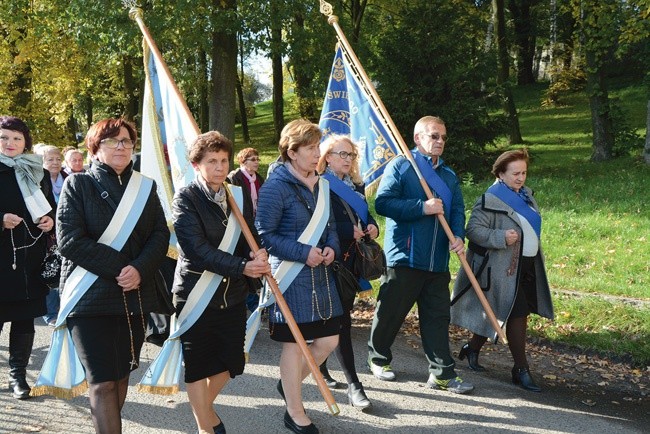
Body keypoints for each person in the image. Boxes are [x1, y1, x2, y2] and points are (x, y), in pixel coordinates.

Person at [56, 118, 169, 433]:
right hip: (89, 299)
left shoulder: (145, 187)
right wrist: (122, 269)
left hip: (133, 296)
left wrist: (140, 269)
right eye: (112, 141)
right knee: (103, 381)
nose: (121, 146)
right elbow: (70, 240)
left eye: (127, 141)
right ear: (95, 147)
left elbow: (160, 235)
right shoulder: (78, 184)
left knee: (121, 376)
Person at [172, 131, 270, 434]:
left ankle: (203, 410)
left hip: (233, 295)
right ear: (196, 164)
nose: (219, 166)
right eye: (211, 161)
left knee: (232, 362)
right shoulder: (185, 198)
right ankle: (205, 425)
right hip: (197, 293)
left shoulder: (236, 195)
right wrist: (244, 266)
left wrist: (258, 251)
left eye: (224, 160)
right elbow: (197, 251)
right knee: (199, 364)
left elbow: (249, 235)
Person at [367, 115, 474, 394]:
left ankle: (442, 374)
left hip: (437, 259)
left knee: (438, 317)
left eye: (442, 137)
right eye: (433, 135)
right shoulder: (402, 166)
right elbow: (383, 203)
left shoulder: (449, 175)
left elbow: (458, 210)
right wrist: (421, 207)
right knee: (391, 312)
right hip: (405, 254)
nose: (439, 141)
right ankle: (378, 358)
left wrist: (458, 236)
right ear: (418, 138)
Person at [255, 119, 342, 434]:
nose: (317, 153)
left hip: (321, 275)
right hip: (290, 275)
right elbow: (264, 234)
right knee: (295, 345)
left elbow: (330, 226)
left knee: (329, 339)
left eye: (318, 146)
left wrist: (331, 247)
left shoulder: (322, 184)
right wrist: (302, 252)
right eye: (310, 148)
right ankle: (294, 410)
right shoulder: (275, 187)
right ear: (292, 152)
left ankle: (288, 383)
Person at [450, 149, 553, 392]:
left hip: (526, 266)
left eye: (524, 172)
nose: (520, 178)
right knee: (517, 314)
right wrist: (500, 236)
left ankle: (472, 349)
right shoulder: (489, 199)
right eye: (515, 173)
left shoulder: (526, 195)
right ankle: (520, 369)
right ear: (500, 174)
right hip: (501, 269)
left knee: (499, 309)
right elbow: (473, 230)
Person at [315, 134, 379, 410]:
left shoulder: (357, 185)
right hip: (330, 259)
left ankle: (321, 367)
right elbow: (316, 222)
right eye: (342, 154)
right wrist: (344, 230)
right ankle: (355, 384)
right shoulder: (319, 183)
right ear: (327, 157)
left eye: (351, 155)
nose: (347, 159)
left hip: (353, 261)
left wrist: (372, 225)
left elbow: (366, 215)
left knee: (337, 318)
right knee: (340, 321)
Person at [0, 116, 56, 399]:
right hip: (0, 260)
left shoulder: (39, 172)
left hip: (30, 258)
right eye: (4, 137)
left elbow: (53, 208)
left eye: (16, 138)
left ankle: (18, 377)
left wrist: (50, 221)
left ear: (26, 143)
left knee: (24, 321)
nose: (10, 143)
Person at [227, 147, 265, 313]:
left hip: (257, 225)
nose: (256, 162)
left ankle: (255, 301)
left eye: (257, 159)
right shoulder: (234, 178)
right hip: (241, 227)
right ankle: (251, 302)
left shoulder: (260, 179)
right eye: (253, 159)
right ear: (243, 161)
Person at [40, 145, 67, 326]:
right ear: (43, 161)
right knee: (50, 270)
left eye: (58, 159)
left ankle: (64, 309)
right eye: (50, 159)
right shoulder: (38, 180)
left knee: (63, 269)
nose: (55, 162)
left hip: (65, 230)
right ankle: (50, 314)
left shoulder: (68, 178)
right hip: (45, 233)